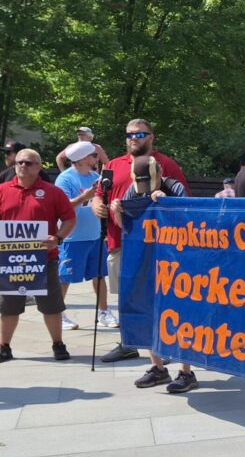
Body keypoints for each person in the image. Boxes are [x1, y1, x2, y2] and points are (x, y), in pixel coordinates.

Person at [92, 119, 189, 362]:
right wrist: (98, 206)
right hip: (120, 240)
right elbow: (99, 194)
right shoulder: (113, 165)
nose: (133, 138)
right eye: (129, 135)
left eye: (140, 134)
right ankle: (129, 341)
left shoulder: (165, 164)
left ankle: (161, 342)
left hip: (155, 246)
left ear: (151, 137)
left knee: (156, 295)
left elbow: (182, 202)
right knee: (127, 295)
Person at [0, 148, 77, 364]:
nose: (23, 165)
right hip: (11, 259)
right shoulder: (1, 191)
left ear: (39, 167)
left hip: (45, 258)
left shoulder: (52, 192)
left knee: (52, 304)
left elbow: (70, 219)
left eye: (29, 163)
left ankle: (58, 344)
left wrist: (58, 238)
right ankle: (3, 346)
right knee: (8, 304)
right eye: (20, 162)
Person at [115, 156, 200, 393]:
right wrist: (118, 211)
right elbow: (129, 228)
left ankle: (186, 371)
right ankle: (158, 367)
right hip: (148, 261)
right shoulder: (133, 190)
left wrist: (167, 204)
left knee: (182, 313)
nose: (144, 185)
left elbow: (189, 218)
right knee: (146, 310)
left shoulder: (174, 187)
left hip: (177, 261)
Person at [54, 141, 111, 331]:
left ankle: (103, 312)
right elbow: (61, 207)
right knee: (65, 277)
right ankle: (58, 313)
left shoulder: (95, 176)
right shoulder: (65, 179)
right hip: (72, 238)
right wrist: (83, 198)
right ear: (85, 159)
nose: (97, 159)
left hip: (94, 235)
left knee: (99, 275)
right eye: (95, 156)